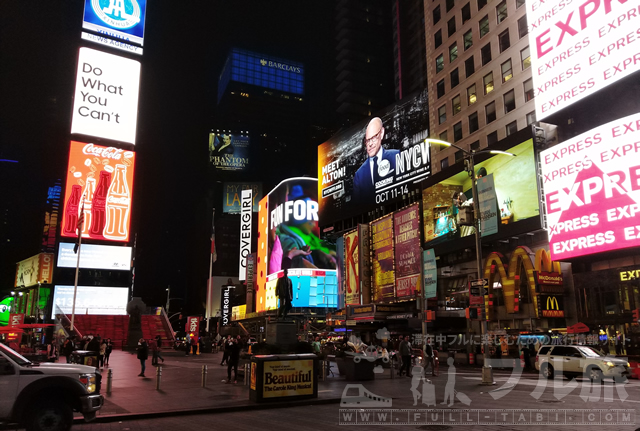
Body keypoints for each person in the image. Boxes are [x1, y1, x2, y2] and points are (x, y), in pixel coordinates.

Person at [353, 117, 399, 205]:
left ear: (381, 133)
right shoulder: (359, 175)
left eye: (373, 138)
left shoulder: (396, 156)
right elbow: (356, 207)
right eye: (367, 140)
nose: (370, 144)